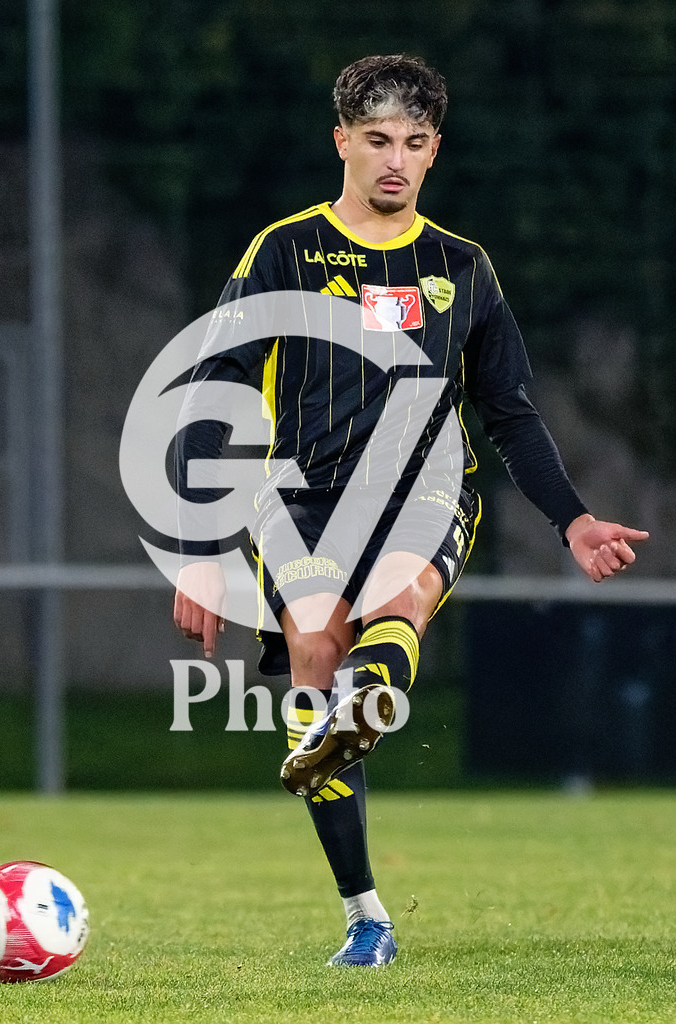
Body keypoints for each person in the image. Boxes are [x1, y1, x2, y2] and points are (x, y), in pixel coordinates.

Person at [173, 54, 649, 967]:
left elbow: (508, 410)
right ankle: (366, 914)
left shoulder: (463, 268)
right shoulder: (283, 252)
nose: (395, 158)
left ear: (434, 151)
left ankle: (362, 699)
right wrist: (198, 547)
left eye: (414, 142)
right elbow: (212, 389)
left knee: (399, 597)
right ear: (342, 142)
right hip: (302, 501)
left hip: (426, 487)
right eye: (378, 139)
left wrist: (573, 518)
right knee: (316, 654)